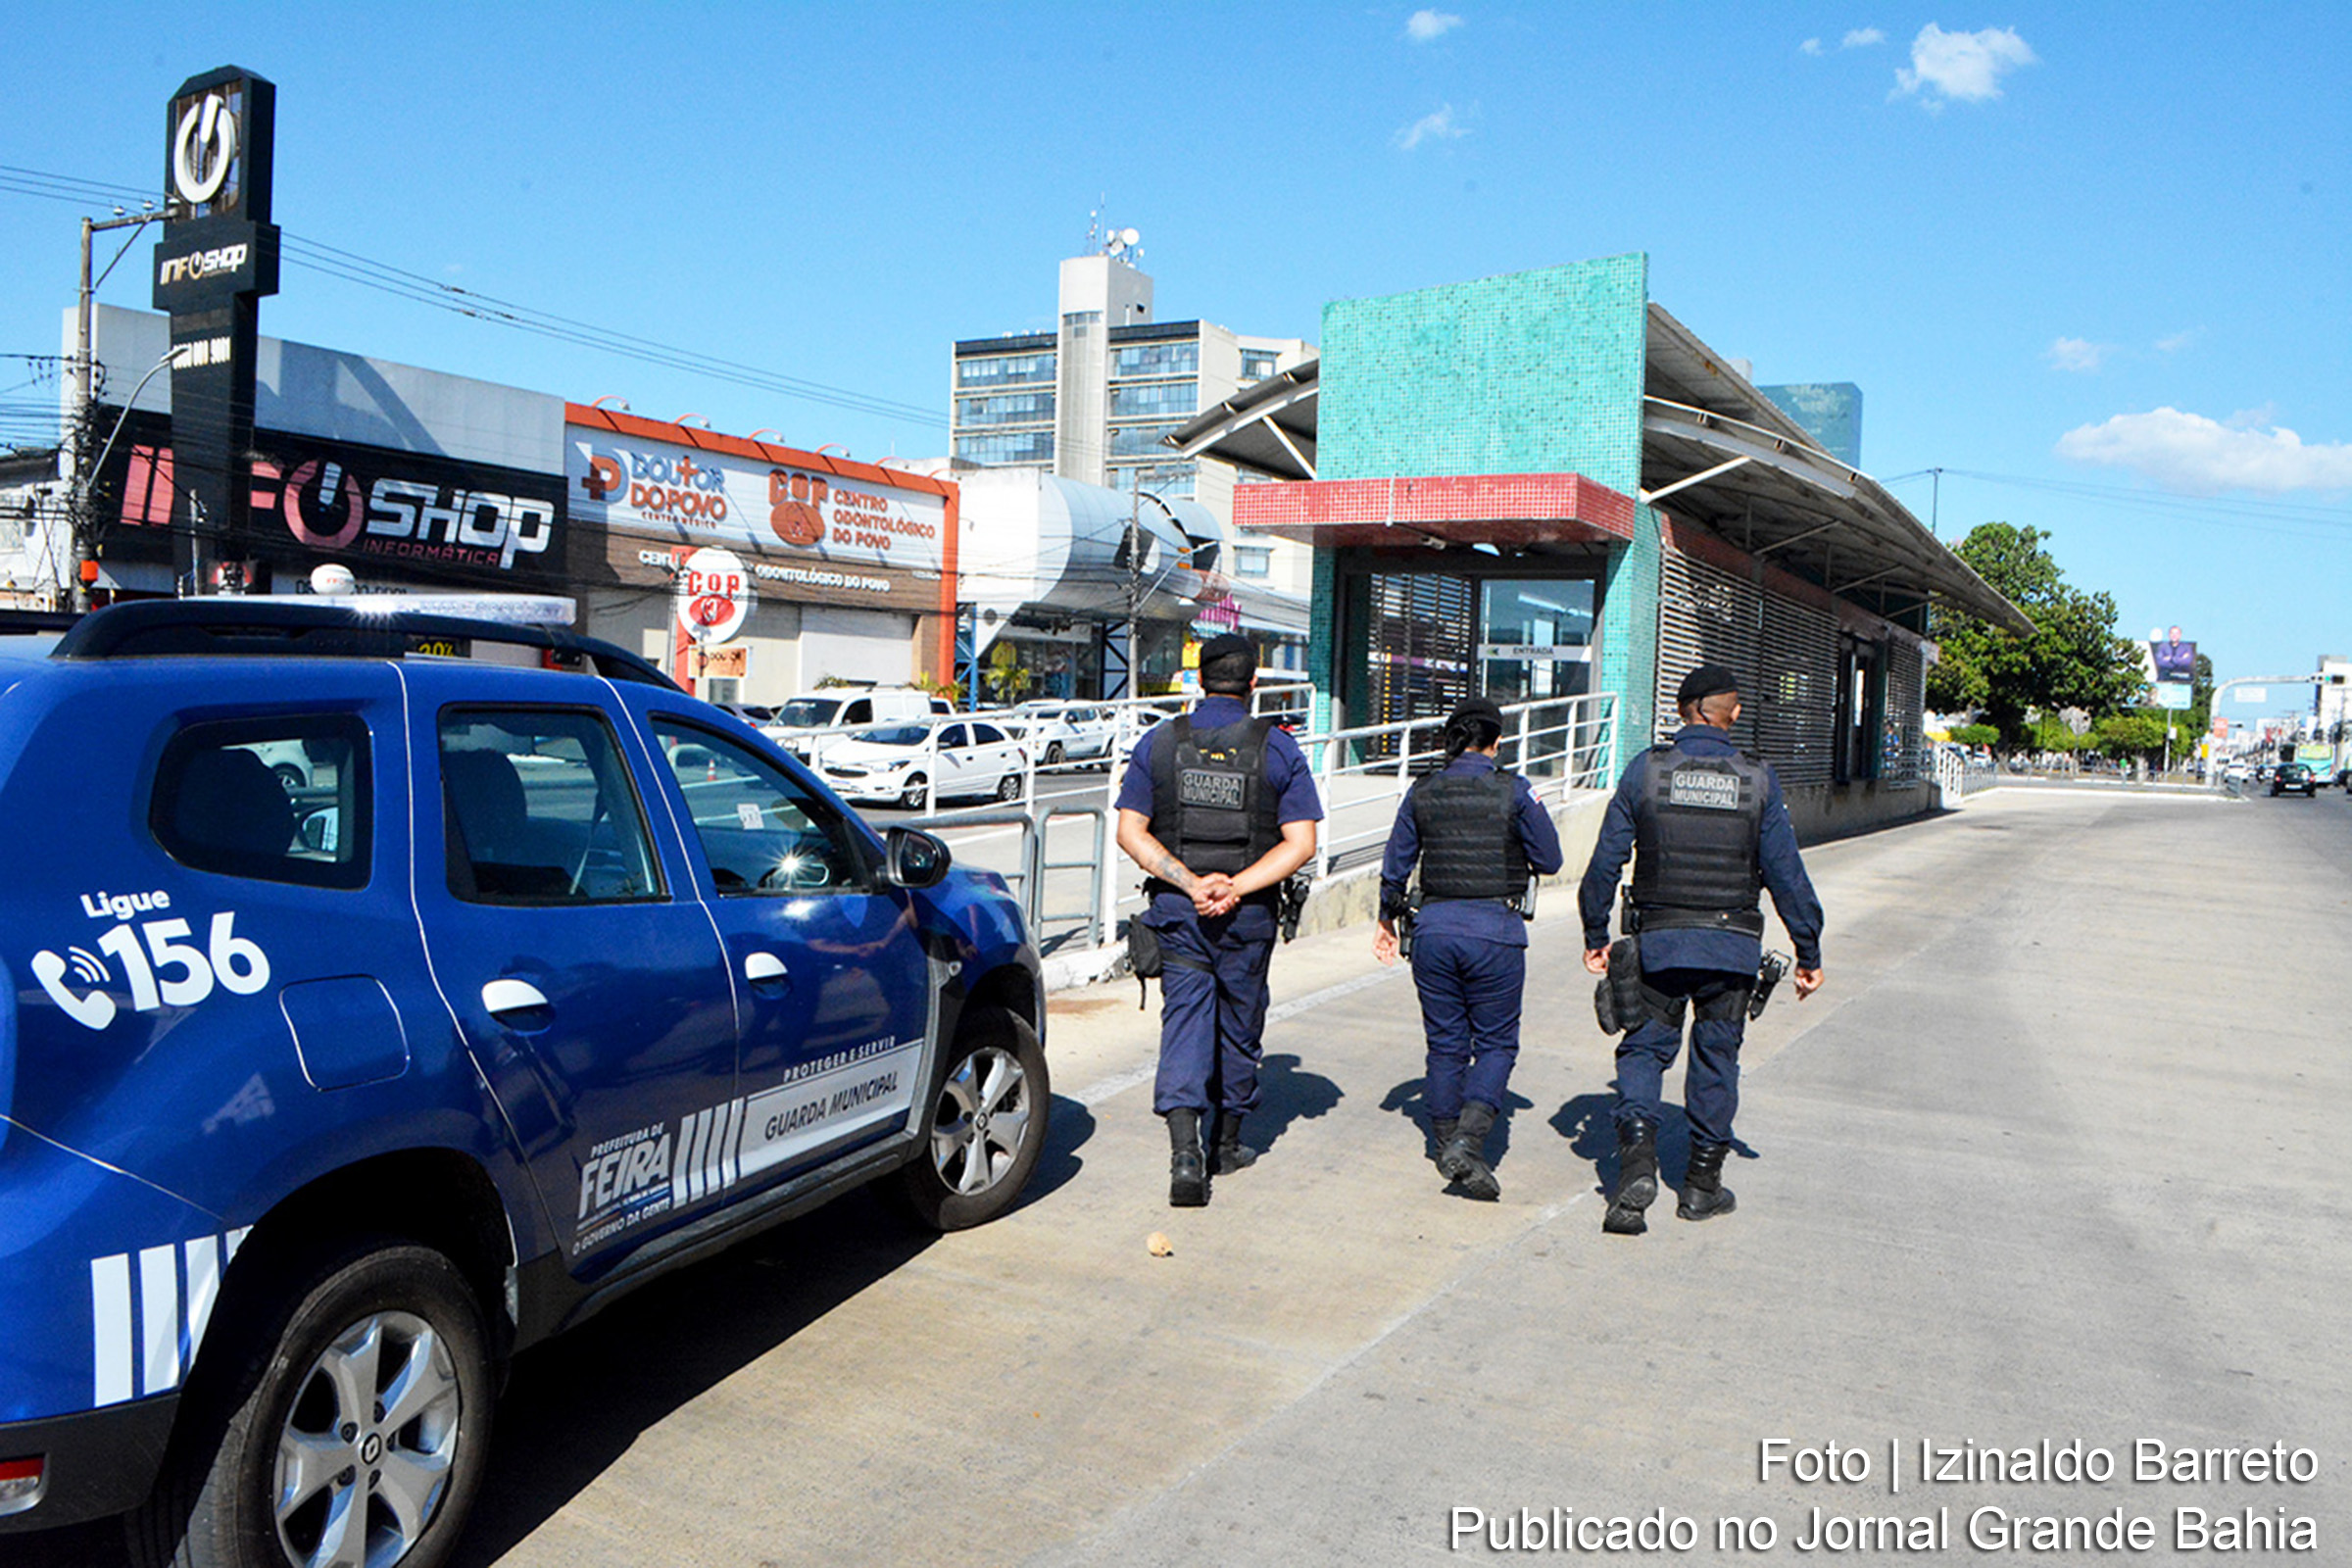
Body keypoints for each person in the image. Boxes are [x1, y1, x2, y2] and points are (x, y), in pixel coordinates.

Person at [1577, 664, 1825, 1235]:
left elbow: (1605, 860)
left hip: (1658, 945)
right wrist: (1808, 951)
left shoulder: (1646, 770)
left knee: (1643, 1052)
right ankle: (1701, 1187)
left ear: (1682, 710)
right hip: (1730, 951)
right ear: (1731, 714)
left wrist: (1595, 933)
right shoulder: (1758, 779)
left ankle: (1637, 1165)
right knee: (1716, 1061)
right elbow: (1786, 874)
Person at [1114, 635, 1323, 1207]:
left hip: (1180, 912)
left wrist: (1190, 883)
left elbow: (1130, 830)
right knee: (1239, 1027)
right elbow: (1301, 843)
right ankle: (1224, 1147)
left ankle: (1185, 1154)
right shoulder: (1278, 749)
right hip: (1247, 917)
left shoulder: (1160, 742)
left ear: (1199, 680)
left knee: (1184, 1023)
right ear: (1254, 683)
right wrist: (1235, 887)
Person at [1373, 696, 1564, 1200]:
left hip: (1433, 931)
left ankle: (1443, 1144)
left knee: (1445, 1042)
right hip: (1494, 932)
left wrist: (1385, 919)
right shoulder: (1514, 790)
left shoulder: (1423, 790)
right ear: (1496, 742)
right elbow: (1550, 860)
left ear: (1449, 740)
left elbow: (1395, 865)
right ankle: (1468, 1140)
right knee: (1496, 1043)